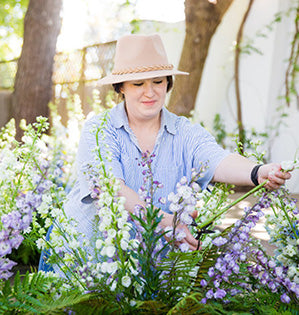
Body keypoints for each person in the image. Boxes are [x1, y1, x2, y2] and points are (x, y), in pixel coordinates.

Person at [39, 34, 291, 271]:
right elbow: (111, 188)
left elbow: (216, 159)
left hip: (141, 266)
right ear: (121, 88)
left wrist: (258, 172)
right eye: (139, 83)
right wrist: (165, 222)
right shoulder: (100, 129)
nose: (150, 92)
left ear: (168, 83)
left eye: (158, 82)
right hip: (81, 258)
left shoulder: (184, 132)